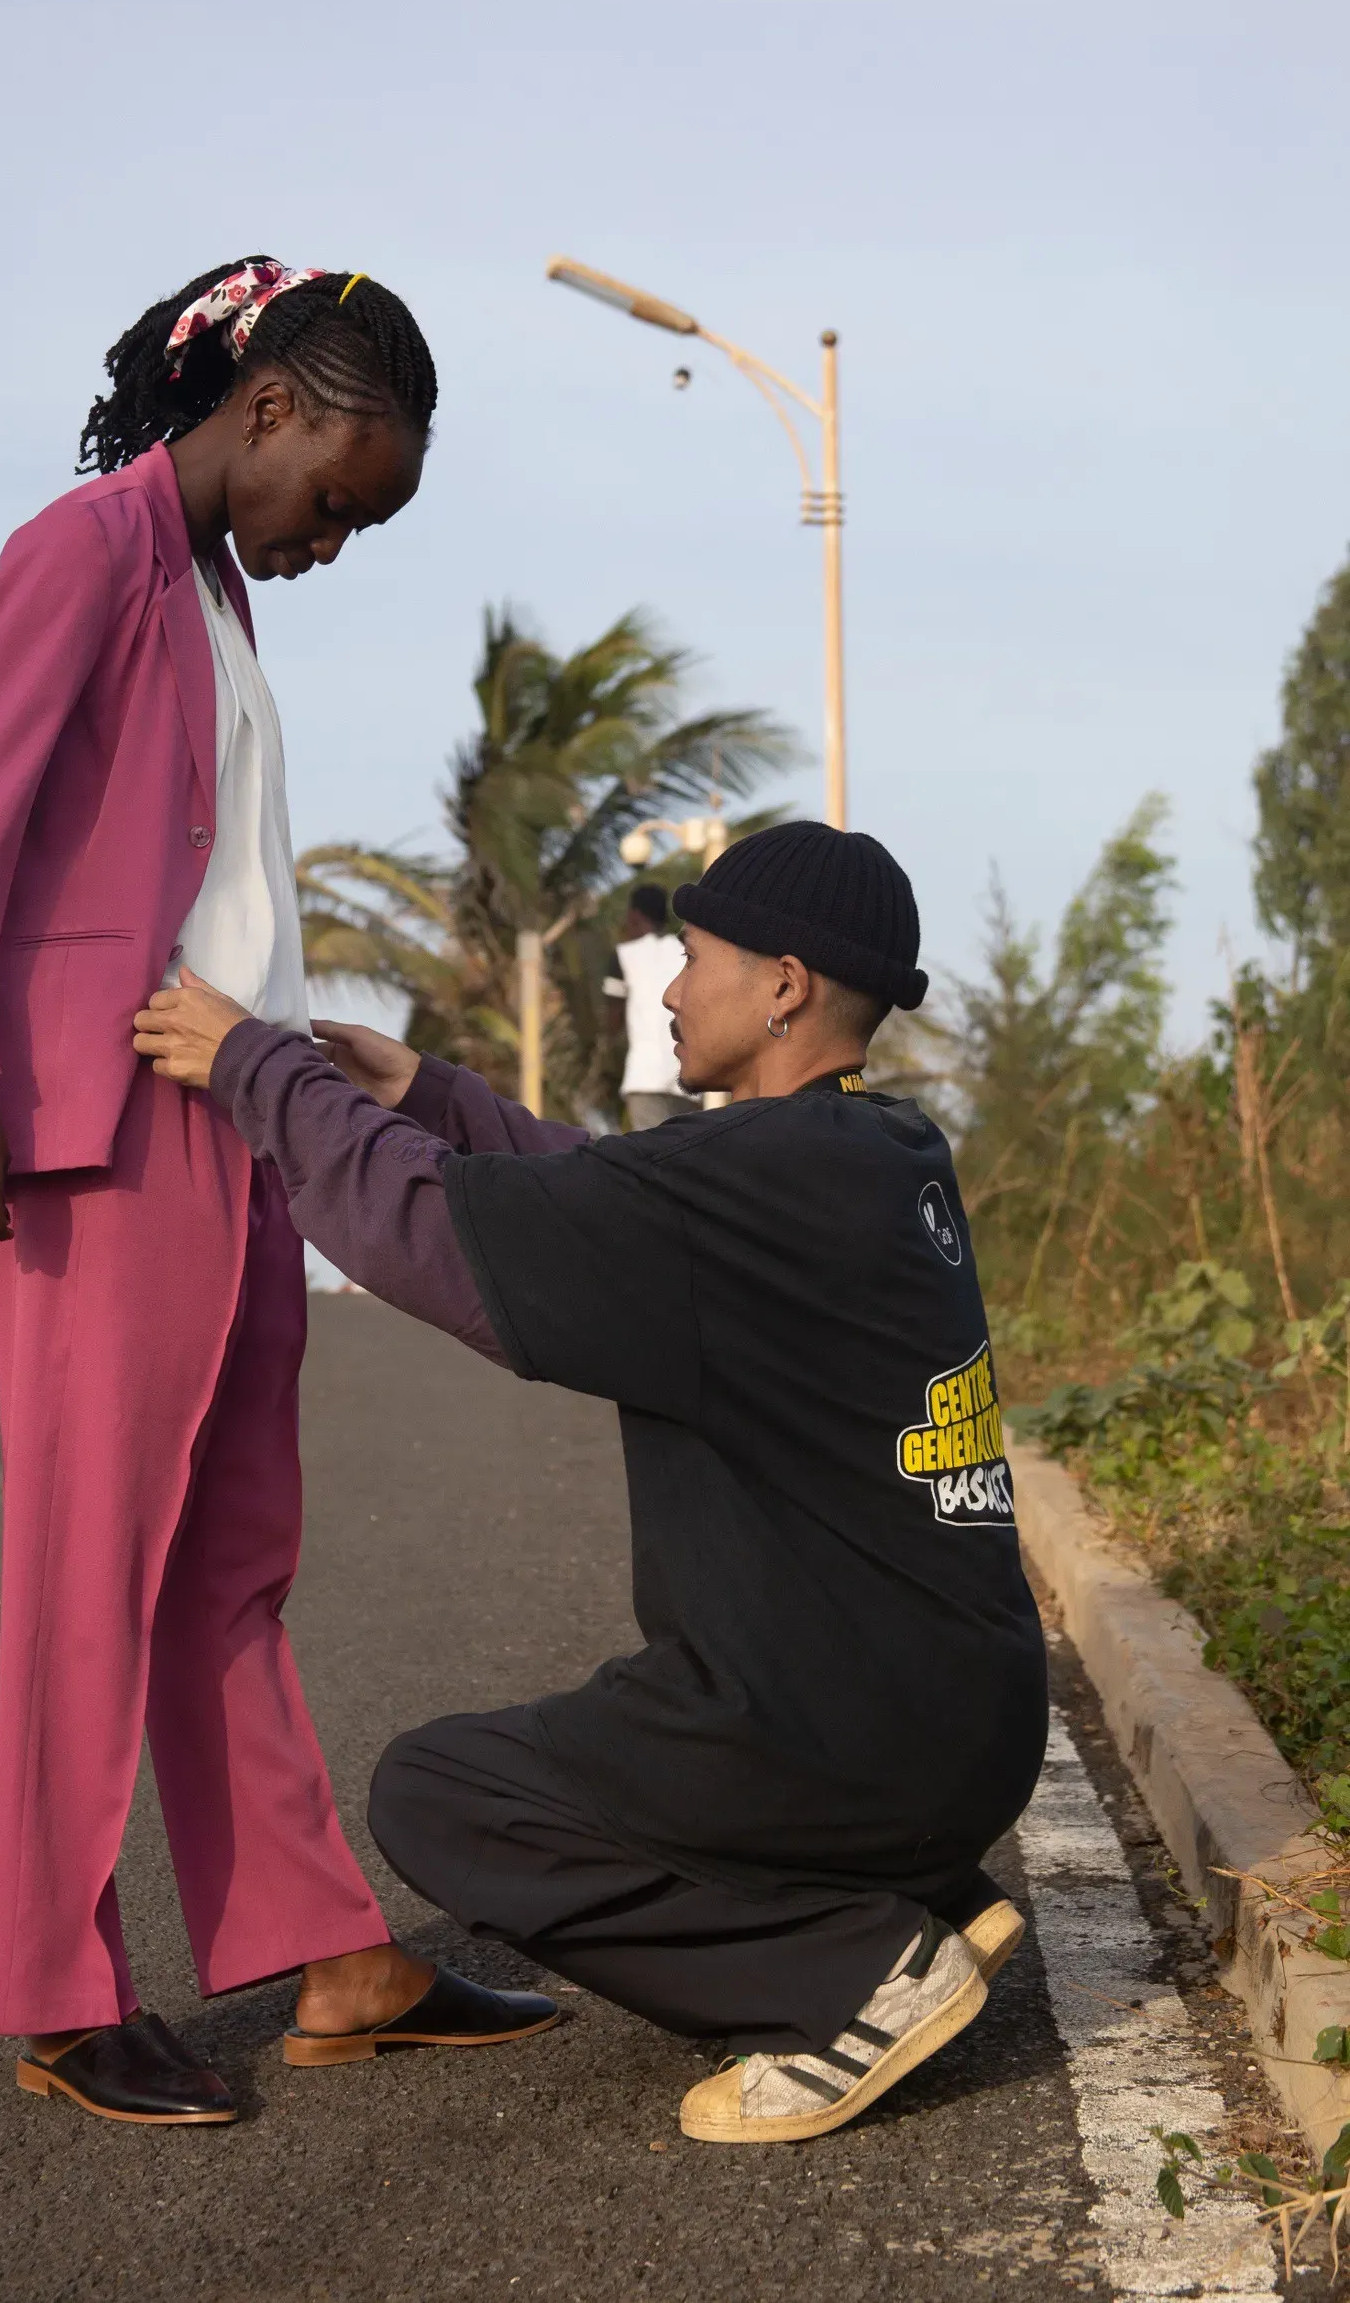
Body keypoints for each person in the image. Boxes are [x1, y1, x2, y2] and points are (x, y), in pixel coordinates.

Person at [0, 257, 553, 2128]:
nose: (336, 537)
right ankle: (60, 1991)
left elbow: (212, 873)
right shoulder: (83, 551)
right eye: (339, 494)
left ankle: (333, 1953)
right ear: (265, 410)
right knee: (96, 1563)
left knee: (231, 1558)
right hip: (104, 1126)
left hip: (232, 1107)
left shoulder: (212, 588)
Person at [134, 821, 1048, 2144]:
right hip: (961, 1732)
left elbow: (428, 1236)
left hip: (850, 1739)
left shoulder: (750, 1181)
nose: (668, 990)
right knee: (636, 1738)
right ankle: (922, 1899)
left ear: (785, 985)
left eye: (692, 956)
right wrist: (436, 1100)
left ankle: (848, 1975)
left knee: (450, 1794)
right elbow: (619, 1193)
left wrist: (255, 1068)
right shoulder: (875, 1155)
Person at [602, 883, 695, 1128]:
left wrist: (607, 1045)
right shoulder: (685, 952)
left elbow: (613, 1016)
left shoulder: (622, 955)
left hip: (644, 1076)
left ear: (634, 915)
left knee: (651, 1159)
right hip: (688, 1078)